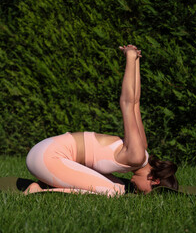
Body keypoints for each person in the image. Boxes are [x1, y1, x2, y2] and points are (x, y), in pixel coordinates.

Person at [25, 45, 178, 197]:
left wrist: (137, 61)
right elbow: (128, 103)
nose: (141, 193)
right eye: (146, 193)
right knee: (113, 191)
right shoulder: (137, 155)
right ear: (155, 181)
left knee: (119, 186)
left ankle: (46, 182)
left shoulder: (142, 148)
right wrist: (130, 58)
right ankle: (40, 191)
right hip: (47, 157)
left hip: (49, 152)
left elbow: (136, 104)